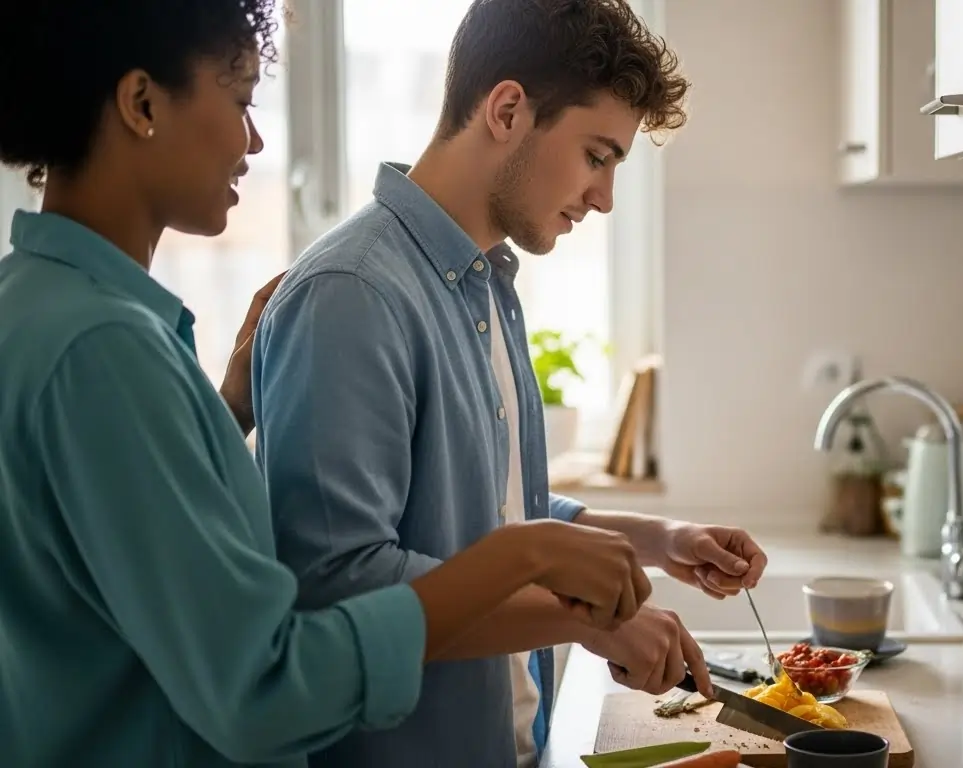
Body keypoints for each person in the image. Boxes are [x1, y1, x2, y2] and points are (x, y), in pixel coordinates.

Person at [0, 3, 654, 766]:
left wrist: (225, 412)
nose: (256, 140)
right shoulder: (105, 345)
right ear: (142, 104)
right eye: (241, 99)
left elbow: (113, 571)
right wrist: (525, 560)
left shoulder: (41, 306)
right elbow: (263, 687)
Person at [251, 0, 769, 766]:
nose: (604, 197)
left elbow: (491, 518)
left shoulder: (483, 284)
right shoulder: (352, 294)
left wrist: (661, 540)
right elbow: (339, 585)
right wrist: (583, 620)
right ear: (506, 110)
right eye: (597, 155)